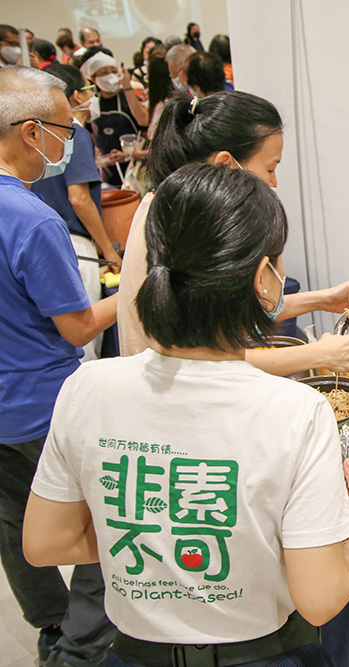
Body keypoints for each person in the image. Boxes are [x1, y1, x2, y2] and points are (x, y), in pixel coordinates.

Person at [24, 163, 349, 666]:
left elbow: (45, 542)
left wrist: (153, 535)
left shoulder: (88, 386)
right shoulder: (296, 411)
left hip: (133, 655)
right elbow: (319, 599)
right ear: (263, 277)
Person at [118, 91, 349, 379]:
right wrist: (317, 354)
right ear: (225, 163)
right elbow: (202, 360)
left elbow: (231, 313)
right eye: (270, 168)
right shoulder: (180, 227)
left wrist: (324, 300)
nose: (273, 183)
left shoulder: (176, 207)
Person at [0, 64, 117, 667]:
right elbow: (75, 326)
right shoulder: (30, 218)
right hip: (42, 404)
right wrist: (139, 288)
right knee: (103, 525)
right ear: (28, 132)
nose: (69, 140)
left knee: (16, 526)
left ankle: (49, 625)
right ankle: (83, 648)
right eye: (65, 128)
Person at [30, 63, 119, 359]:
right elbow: (79, 198)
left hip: (48, 243)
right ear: (72, 96)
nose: (92, 93)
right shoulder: (74, 135)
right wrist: (108, 249)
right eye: (86, 87)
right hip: (76, 245)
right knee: (85, 342)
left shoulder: (39, 140)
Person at [80, 47, 149, 186]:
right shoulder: (92, 104)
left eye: (113, 71)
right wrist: (99, 156)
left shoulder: (128, 99)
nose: (110, 75)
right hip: (106, 170)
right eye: (104, 73)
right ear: (94, 78)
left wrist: (130, 153)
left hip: (134, 168)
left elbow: (145, 129)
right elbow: (91, 135)